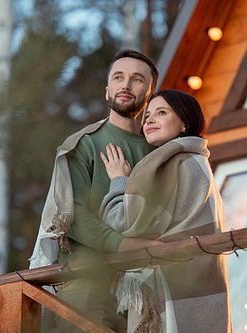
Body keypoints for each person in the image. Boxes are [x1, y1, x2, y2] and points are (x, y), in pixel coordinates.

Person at [29, 49, 162, 332]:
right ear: (107, 91)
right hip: (87, 280)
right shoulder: (83, 144)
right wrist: (125, 246)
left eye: (137, 79)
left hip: (144, 289)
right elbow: (71, 215)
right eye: (118, 77)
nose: (125, 85)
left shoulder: (160, 152)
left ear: (150, 94)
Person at [98, 90, 233, 333]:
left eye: (161, 113)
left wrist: (119, 181)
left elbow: (123, 223)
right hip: (198, 288)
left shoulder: (172, 163)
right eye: (147, 115)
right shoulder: (196, 161)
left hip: (173, 283)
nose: (149, 120)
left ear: (185, 123)